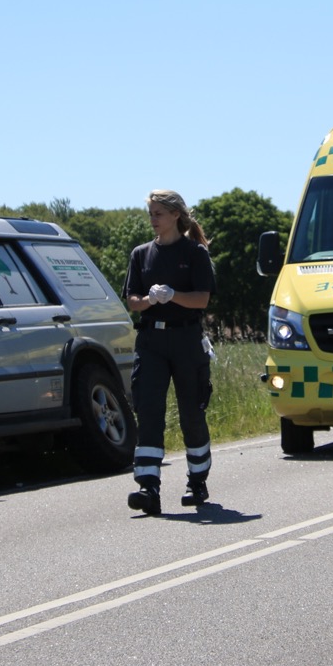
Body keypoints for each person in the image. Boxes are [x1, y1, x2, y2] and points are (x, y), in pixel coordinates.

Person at [122, 190, 216, 516]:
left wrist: (173, 295)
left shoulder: (194, 253)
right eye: (151, 213)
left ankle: (197, 478)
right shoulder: (141, 254)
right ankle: (148, 486)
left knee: (192, 411)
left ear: (175, 215)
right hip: (151, 342)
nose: (153, 219)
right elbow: (132, 301)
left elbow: (202, 299)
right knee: (148, 410)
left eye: (159, 213)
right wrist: (149, 300)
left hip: (186, 340)